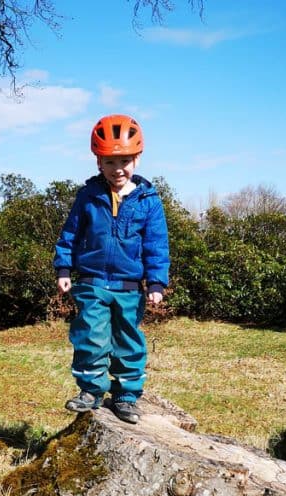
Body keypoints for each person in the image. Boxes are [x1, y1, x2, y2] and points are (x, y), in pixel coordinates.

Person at [53, 114, 170, 424]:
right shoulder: (87, 197)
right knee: (90, 335)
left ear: (137, 158)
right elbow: (70, 235)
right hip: (91, 282)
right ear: (98, 162)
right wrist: (63, 269)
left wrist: (156, 283)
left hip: (130, 286)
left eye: (125, 161)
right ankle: (91, 391)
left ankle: (126, 396)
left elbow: (156, 244)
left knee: (127, 340)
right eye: (110, 162)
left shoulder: (149, 200)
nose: (118, 169)